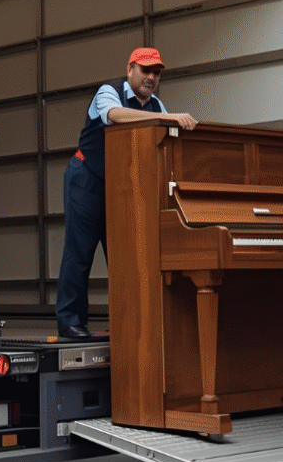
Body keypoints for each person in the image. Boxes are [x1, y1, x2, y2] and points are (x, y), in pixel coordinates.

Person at [55, 47, 197, 340]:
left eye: (156, 73)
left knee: (122, 256)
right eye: (145, 70)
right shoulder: (109, 92)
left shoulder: (157, 105)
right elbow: (114, 116)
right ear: (130, 69)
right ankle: (70, 322)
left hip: (121, 186)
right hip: (87, 179)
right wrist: (173, 119)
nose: (151, 77)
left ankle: (126, 323)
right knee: (79, 252)